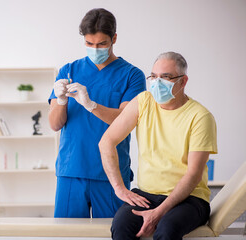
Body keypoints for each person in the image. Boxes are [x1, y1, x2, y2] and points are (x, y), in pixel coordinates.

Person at [99, 51, 218, 239]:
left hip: (190, 199)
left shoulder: (200, 117)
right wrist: (119, 189)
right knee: (121, 227)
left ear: (183, 81)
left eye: (166, 77)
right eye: (153, 76)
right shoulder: (143, 102)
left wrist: (159, 212)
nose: (157, 82)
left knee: (166, 229)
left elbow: (194, 174)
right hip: (147, 194)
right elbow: (106, 142)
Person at [48, 8, 146, 218]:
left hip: (111, 175)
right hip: (72, 170)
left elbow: (126, 119)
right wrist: (61, 101)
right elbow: (55, 124)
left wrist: (91, 104)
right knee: (67, 235)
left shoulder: (132, 75)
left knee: (113, 233)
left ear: (114, 39)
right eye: (89, 43)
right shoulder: (68, 70)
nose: (95, 48)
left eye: (101, 44)